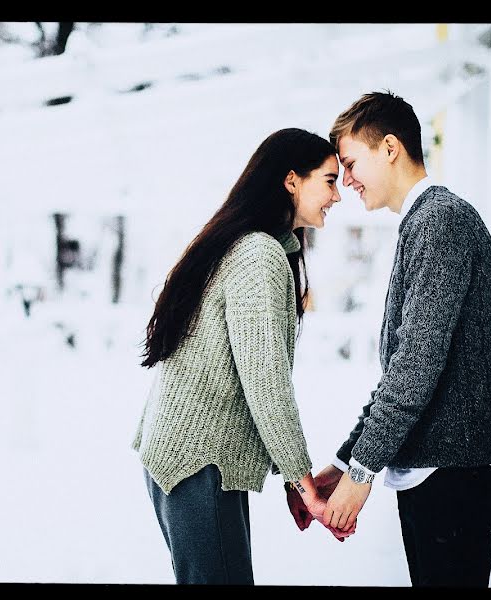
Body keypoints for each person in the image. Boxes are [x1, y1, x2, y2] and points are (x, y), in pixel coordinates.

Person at [310, 91, 491, 587]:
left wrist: (361, 474)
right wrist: (346, 461)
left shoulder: (440, 221)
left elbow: (415, 368)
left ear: (389, 147)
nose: (345, 181)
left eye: (349, 163)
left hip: (455, 470)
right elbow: (405, 368)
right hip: (448, 466)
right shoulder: (425, 222)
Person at [132, 127, 348, 585]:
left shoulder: (256, 247)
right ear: (292, 180)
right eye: (329, 180)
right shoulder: (259, 255)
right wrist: (300, 479)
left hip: (191, 462)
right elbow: (265, 383)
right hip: (199, 465)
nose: (338, 195)